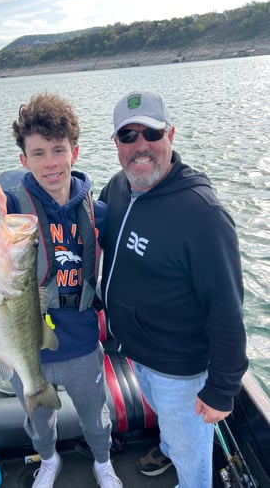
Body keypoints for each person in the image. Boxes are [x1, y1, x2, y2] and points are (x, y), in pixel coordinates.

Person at [0, 93, 122, 488]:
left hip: (81, 344)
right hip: (27, 348)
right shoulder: (10, 209)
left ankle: (103, 461)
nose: (50, 162)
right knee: (37, 417)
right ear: (23, 160)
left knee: (96, 414)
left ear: (74, 153)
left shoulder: (100, 214)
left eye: (58, 150)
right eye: (38, 153)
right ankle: (47, 460)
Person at [98, 90, 248, 488]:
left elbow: (228, 309)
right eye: (128, 136)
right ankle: (167, 445)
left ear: (171, 135)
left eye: (152, 133)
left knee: (192, 459)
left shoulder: (203, 216)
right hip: (136, 353)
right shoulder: (117, 187)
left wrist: (222, 389)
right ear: (116, 144)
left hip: (179, 371)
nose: (140, 146)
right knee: (173, 433)